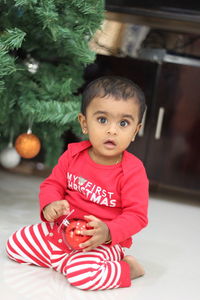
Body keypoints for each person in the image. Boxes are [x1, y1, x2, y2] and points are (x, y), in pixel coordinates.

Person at [6, 76, 149, 290]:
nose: (112, 130)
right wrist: (50, 205)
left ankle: (127, 269)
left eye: (123, 123)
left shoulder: (132, 171)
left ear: (134, 132)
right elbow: (52, 185)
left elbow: (137, 216)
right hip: (60, 231)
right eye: (102, 120)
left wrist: (108, 231)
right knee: (16, 244)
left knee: (82, 277)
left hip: (99, 242)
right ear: (84, 123)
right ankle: (66, 260)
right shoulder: (73, 155)